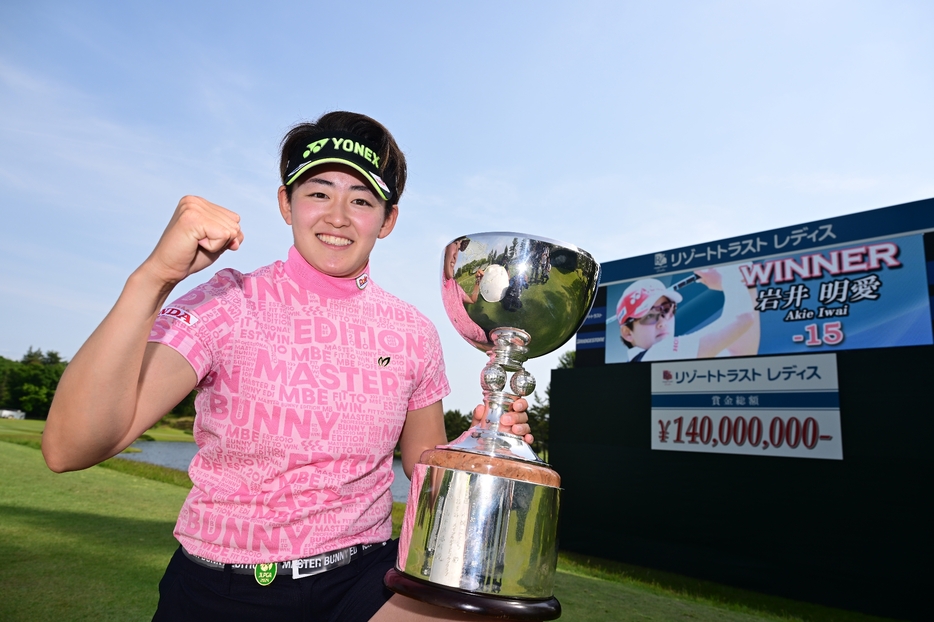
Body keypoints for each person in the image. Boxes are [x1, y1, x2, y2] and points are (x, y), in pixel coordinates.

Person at [42, 111, 532, 621]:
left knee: (488, 608)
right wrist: (154, 278)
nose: (338, 216)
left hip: (363, 580)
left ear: (387, 220)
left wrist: (482, 446)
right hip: (223, 590)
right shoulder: (229, 301)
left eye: (361, 200)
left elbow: (423, 465)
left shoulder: (412, 332)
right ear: (286, 203)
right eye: (319, 192)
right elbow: (69, 447)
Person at [616, 265, 755, 363]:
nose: (663, 322)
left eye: (666, 309)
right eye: (649, 316)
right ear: (627, 333)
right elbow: (742, 319)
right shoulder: (659, 354)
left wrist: (747, 282)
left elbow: (739, 353)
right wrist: (729, 276)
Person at [441, 239, 489, 347]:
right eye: (455, 243)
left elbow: (472, 300)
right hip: (472, 345)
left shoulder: (454, 285)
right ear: (444, 249)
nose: (455, 256)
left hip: (480, 336)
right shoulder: (438, 287)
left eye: (459, 249)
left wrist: (478, 281)